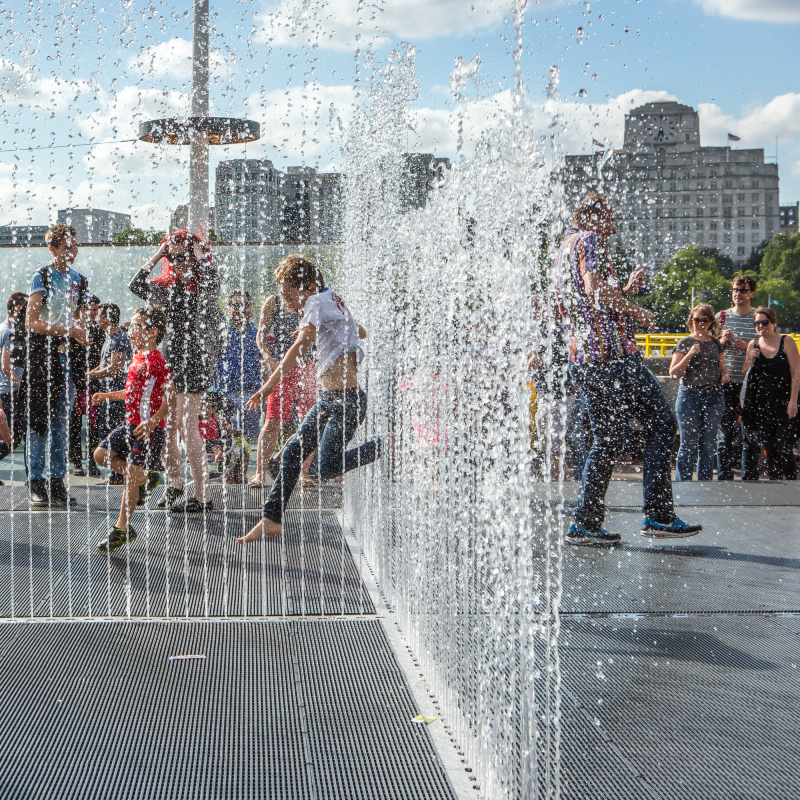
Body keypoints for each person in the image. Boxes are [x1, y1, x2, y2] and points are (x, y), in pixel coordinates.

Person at [555, 193, 701, 544]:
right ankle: (659, 516)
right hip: (613, 358)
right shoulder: (589, 240)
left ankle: (585, 524)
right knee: (663, 425)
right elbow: (592, 290)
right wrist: (636, 310)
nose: (615, 224)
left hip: (585, 359)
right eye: (609, 216)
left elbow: (582, 302)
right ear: (592, 217)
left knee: (605, 440)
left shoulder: (564, 247)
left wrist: (623, 291)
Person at [238, 254, 379, 543]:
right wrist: (319, 329)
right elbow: (360, 331)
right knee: (291, 454)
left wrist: (268, 386)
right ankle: (271, 519)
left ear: (310, 287)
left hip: (346, 401)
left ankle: (386, 445)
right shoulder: (331, 298)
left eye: (291, 297)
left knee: (323, 467)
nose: (288, 303)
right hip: (329, 399)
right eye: (284, 297)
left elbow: (301, 346)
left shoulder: (315, 301)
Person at [129, 229, 223, 513]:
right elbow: (135, 285)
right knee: (168, 428)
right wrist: (158, 254)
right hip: (169, 359)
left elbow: (215, 282)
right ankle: (175, 486)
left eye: (184, 256)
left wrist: (200, 256)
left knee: (188, 427)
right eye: (174, 257)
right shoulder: (161, 286)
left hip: (194, 360)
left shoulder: (203, 282)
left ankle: (204, 495)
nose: (179, 261)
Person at [92, 307, 175, 551]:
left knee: (130, 476)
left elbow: (172, 399)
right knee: (100, 455)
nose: (131, 330)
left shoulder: (157, 361)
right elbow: (131, 393)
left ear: (153, 332)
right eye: (133, 325)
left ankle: (122, 528)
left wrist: (152, 421)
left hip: (148, 429)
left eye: (137, 325)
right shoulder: (137, 357)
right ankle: (144, 477)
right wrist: (107, 395)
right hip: (131, 424)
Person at [25, 223, 91, 508]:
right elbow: (32, 322)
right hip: (44, 360)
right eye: (66, 248)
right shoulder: (41, 277)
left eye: (74, 247)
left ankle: (58, 481)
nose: (71, 253)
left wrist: (81, 329)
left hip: (69, 361)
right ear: (51, 249)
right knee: (39, 422)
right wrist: (69, 331)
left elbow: (79, 318)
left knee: (63, 424)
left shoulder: (79, 279)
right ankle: (36, 482)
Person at [250, 279, 317, 488]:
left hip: (310, 366)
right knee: (272, 421)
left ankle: (303, 474)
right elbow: (260, 337)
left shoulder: (312, 300)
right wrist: (269, 359)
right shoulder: (274, 302)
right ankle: (260, 473)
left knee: (309, 422)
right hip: (282, 367)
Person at [669, 304, 730, 481]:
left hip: (714, 396)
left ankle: (705, 483)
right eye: (697, 320)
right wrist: (689, 354)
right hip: (690, 395)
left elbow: (722, 366)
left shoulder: (716, 343)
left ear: (711, 322)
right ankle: (684, 482)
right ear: (691, 321)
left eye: (704, 320)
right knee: (688, 443)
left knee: (708, 444)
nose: (700, 324)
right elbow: (674, 373)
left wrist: (725, 374)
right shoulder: (685, 343)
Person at [740, 307, 800, 481]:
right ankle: (774, 485)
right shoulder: (753, 344)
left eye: (764, 322)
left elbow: (796, 373)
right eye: (757, 323)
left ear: (773, 322)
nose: (761, 326)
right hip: (761, 405)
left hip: (783, 402)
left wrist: (793, 401)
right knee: (769, 448)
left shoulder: (786, 341)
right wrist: (750, 359)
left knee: (784, 446)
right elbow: (745, 372)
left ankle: (791, 482)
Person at [716, 275, 758, 479]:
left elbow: (769, 345)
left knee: (750, 430)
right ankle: (724, 475)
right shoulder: (722, 316)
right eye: (735, 290)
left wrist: (748, 346)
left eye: (743, 290)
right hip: (727, 380)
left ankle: (749, 475)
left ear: (752, 293)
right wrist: (721, 341)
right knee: (724, 431)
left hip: (750, 382)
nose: (738, 294)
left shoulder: (759, 316)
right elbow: (710, 346)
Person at [88, 303, 134, 485]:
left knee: (115, 434)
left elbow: (114, 368)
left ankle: (123, 475)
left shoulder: (120, 338)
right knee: (105, 431)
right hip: (106, 395)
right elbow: (102, 365)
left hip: (117, 396)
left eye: (99, 315)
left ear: (107, 318)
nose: (97, 319)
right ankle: (117, 475)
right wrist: (88, 374)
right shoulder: (109, 339)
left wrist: (90, 375)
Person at [216, 291, 263, 441]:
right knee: (227, 441)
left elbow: (264, 364)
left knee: (246, 443)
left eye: (244, 305)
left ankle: (243, 465)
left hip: (252, 395)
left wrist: (267, 394)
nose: (240, 309)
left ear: (250, 308)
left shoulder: (257, 333)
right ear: (228, 308)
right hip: (226, 394)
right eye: (235, 305)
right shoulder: (220, 332)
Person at [68, 295, 105, 477]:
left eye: (96, 309)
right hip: (77, 382)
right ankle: (76, 461)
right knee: (74, 423)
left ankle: (91, 461)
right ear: (83, 309)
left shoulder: (99, 330)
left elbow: (102, 357)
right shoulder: (75, 330)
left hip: (94, 383)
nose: (94, 312)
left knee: (92, 424)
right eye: (91, 309)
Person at [0, 292, 30, 474]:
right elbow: (6, 366)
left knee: (14, 436)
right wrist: (22, 387)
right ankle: (32, 478)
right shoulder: (10, 332)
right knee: (14, 438)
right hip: (10, 391)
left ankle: (32, 477)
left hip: (5, 390)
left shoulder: (2, 328)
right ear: (18, 308)